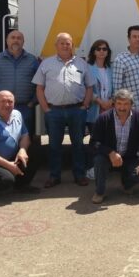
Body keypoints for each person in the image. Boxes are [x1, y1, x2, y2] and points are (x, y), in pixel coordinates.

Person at [33, 32, 95, 188]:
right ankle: (54, 176)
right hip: (54, 112)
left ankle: (79, 175)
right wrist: (46, 108)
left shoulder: (81, 64)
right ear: (56, 46)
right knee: (54, 146)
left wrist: (85, 106)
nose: (65, 46)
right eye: (62, 43)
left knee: (78, 145)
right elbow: (39, 88)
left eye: (68, 43)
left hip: (77, 110)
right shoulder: (46, 63)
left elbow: (89, 86)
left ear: (72, 45)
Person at [89, 89, 139, 203]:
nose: (122, 108)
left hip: (130, 157)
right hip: (109, 157)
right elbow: (93, 143)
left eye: (126, 104)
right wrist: (110, 152)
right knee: (99, 160)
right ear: (114, 103)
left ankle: (126, 184)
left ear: (131, 105)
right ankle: (99, 192)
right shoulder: (103, 118)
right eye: (119, 103)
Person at [0, 30, 39, 135]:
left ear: (23, 42)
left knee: (25, 138)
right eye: (13, 38)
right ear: (7, 41)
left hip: (25, 107)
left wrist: (32, 102)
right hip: (3, 107)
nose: (16, 40)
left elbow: (39, 84)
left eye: (19, 38)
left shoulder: (32, 60)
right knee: (3, 138)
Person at [86, 39, 114, 131]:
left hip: (111, 108)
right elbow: (85, 88)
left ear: (108, 52)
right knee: (95, 138)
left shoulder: (112, 68)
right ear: (94, 52)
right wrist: (100, 102)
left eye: (104, 49)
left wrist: (111, 101)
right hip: (94, 108)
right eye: (98, 49)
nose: (101, 51)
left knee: (109, 139)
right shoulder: (87, 68)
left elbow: (118, 86)